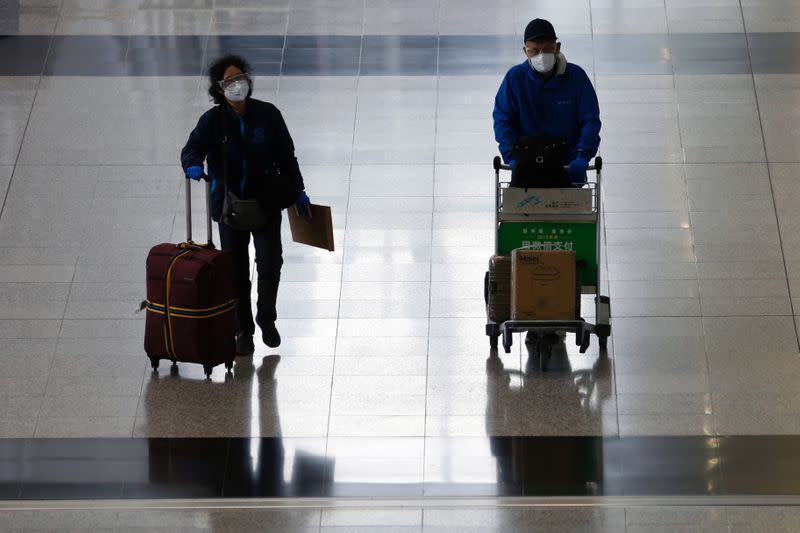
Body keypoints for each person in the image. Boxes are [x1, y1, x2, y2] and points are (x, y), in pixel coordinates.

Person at [181, 54, 310, 355]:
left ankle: (267, 318)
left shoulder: (268, 115)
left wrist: (299, 191)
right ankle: (243, 330)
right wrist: (193, 165)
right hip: (230, 208)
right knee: (235, 272)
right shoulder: (212, 122)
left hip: (266, 203)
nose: (237, 84)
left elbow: (286, 157)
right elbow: (192, 149)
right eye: (230, 81)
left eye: (240, 77)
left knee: (269, 264)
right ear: (218, 88)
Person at [493, 18, 601, 187]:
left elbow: (590, 120)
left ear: (557, 48)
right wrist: (512, 157)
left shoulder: (576, 78)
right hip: (525, 166)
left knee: (573, 212)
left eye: (546, 49)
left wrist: (582, 155)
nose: (540, 56)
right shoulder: (515, 79)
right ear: (525, 51)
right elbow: (503, 121)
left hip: (568, 166)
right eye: (534, 50)